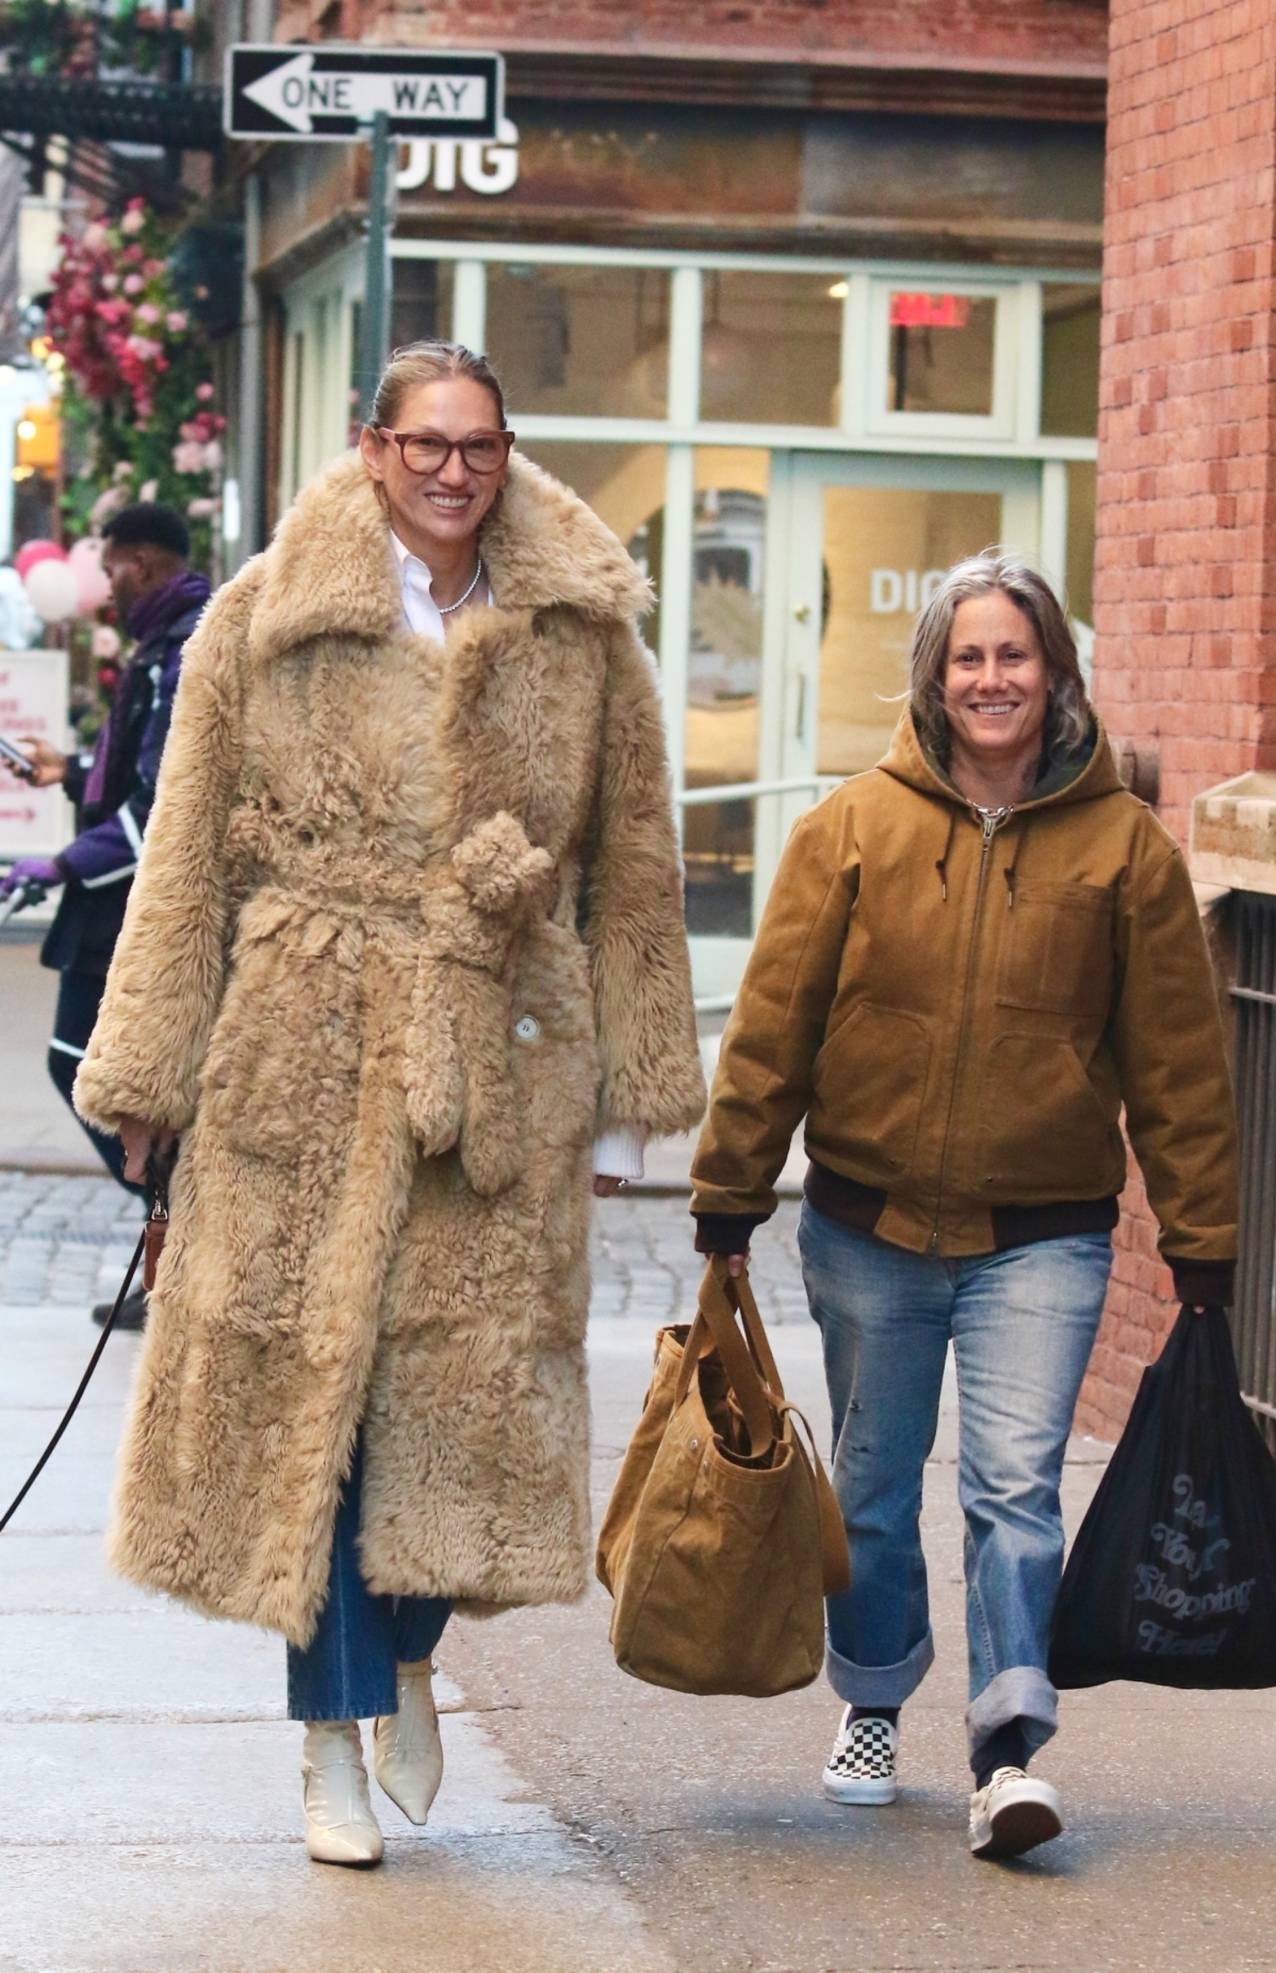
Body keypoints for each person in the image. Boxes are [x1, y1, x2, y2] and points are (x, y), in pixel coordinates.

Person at [72, 341, 705, 1868]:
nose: (452, 470)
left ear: (508, 457)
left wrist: (628, 1102)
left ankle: (412, 1642)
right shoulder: (261, 619)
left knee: (470, 1398)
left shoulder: (581, 638)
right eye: (425, 443)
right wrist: (149, 1074)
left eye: (479, 445)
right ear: (371, 450)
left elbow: (633, 868)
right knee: (324, 1407)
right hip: (302, 1049)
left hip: (499, 1056)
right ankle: (330, 1740)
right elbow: (188, 870)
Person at [689, 550, 1238, 1860]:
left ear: (1057, 674)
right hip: (868, 1226)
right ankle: (875, 1694)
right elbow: (775, 1027)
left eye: (1016, 654)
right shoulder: (852, 832)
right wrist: (731, 1188)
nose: (993, 678)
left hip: (1042, 1234)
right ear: (936, 678)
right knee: (875, 1491)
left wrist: (1204, 1238)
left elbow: (1178, 1063)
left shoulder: (1122, 852)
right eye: (970, 657)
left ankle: (1006, 1747)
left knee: (1014, 1488)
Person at [1, 504, 210, 1331]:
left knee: (88, 1069)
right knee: (91, 1070)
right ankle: (173, 1249)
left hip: (135, 900)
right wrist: (70, 769)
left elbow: (162, 802)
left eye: (116, 566)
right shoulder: (162, 643)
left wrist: (59, 862)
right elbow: (138, 770)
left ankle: (189, 1242)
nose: (106, 585)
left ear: (148, 563)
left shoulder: (182, 649)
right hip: (116, 896)